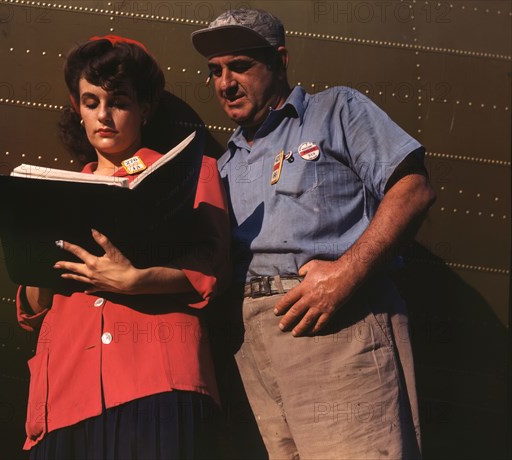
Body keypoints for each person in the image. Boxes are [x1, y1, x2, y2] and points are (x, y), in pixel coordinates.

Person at [191, 8, 436, 460]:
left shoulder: (335, 110)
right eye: (215, 71)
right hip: (252, 346)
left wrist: (346, 274)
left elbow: (413, 187)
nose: (224, 83)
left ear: (279, 61)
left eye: (240, 66)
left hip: (335, 327)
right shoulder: (224, 164)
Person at [15, 35, 230, 459]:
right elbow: (34, 309)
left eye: (119, 102)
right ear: (77, 110)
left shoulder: (193, 172)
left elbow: (215, 263)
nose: (104, 115)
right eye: (90, 102)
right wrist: (32, 256)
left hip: (155, 385)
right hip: (62, 398)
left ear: (145, 108)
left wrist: (137, 281)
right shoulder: (57, 193)